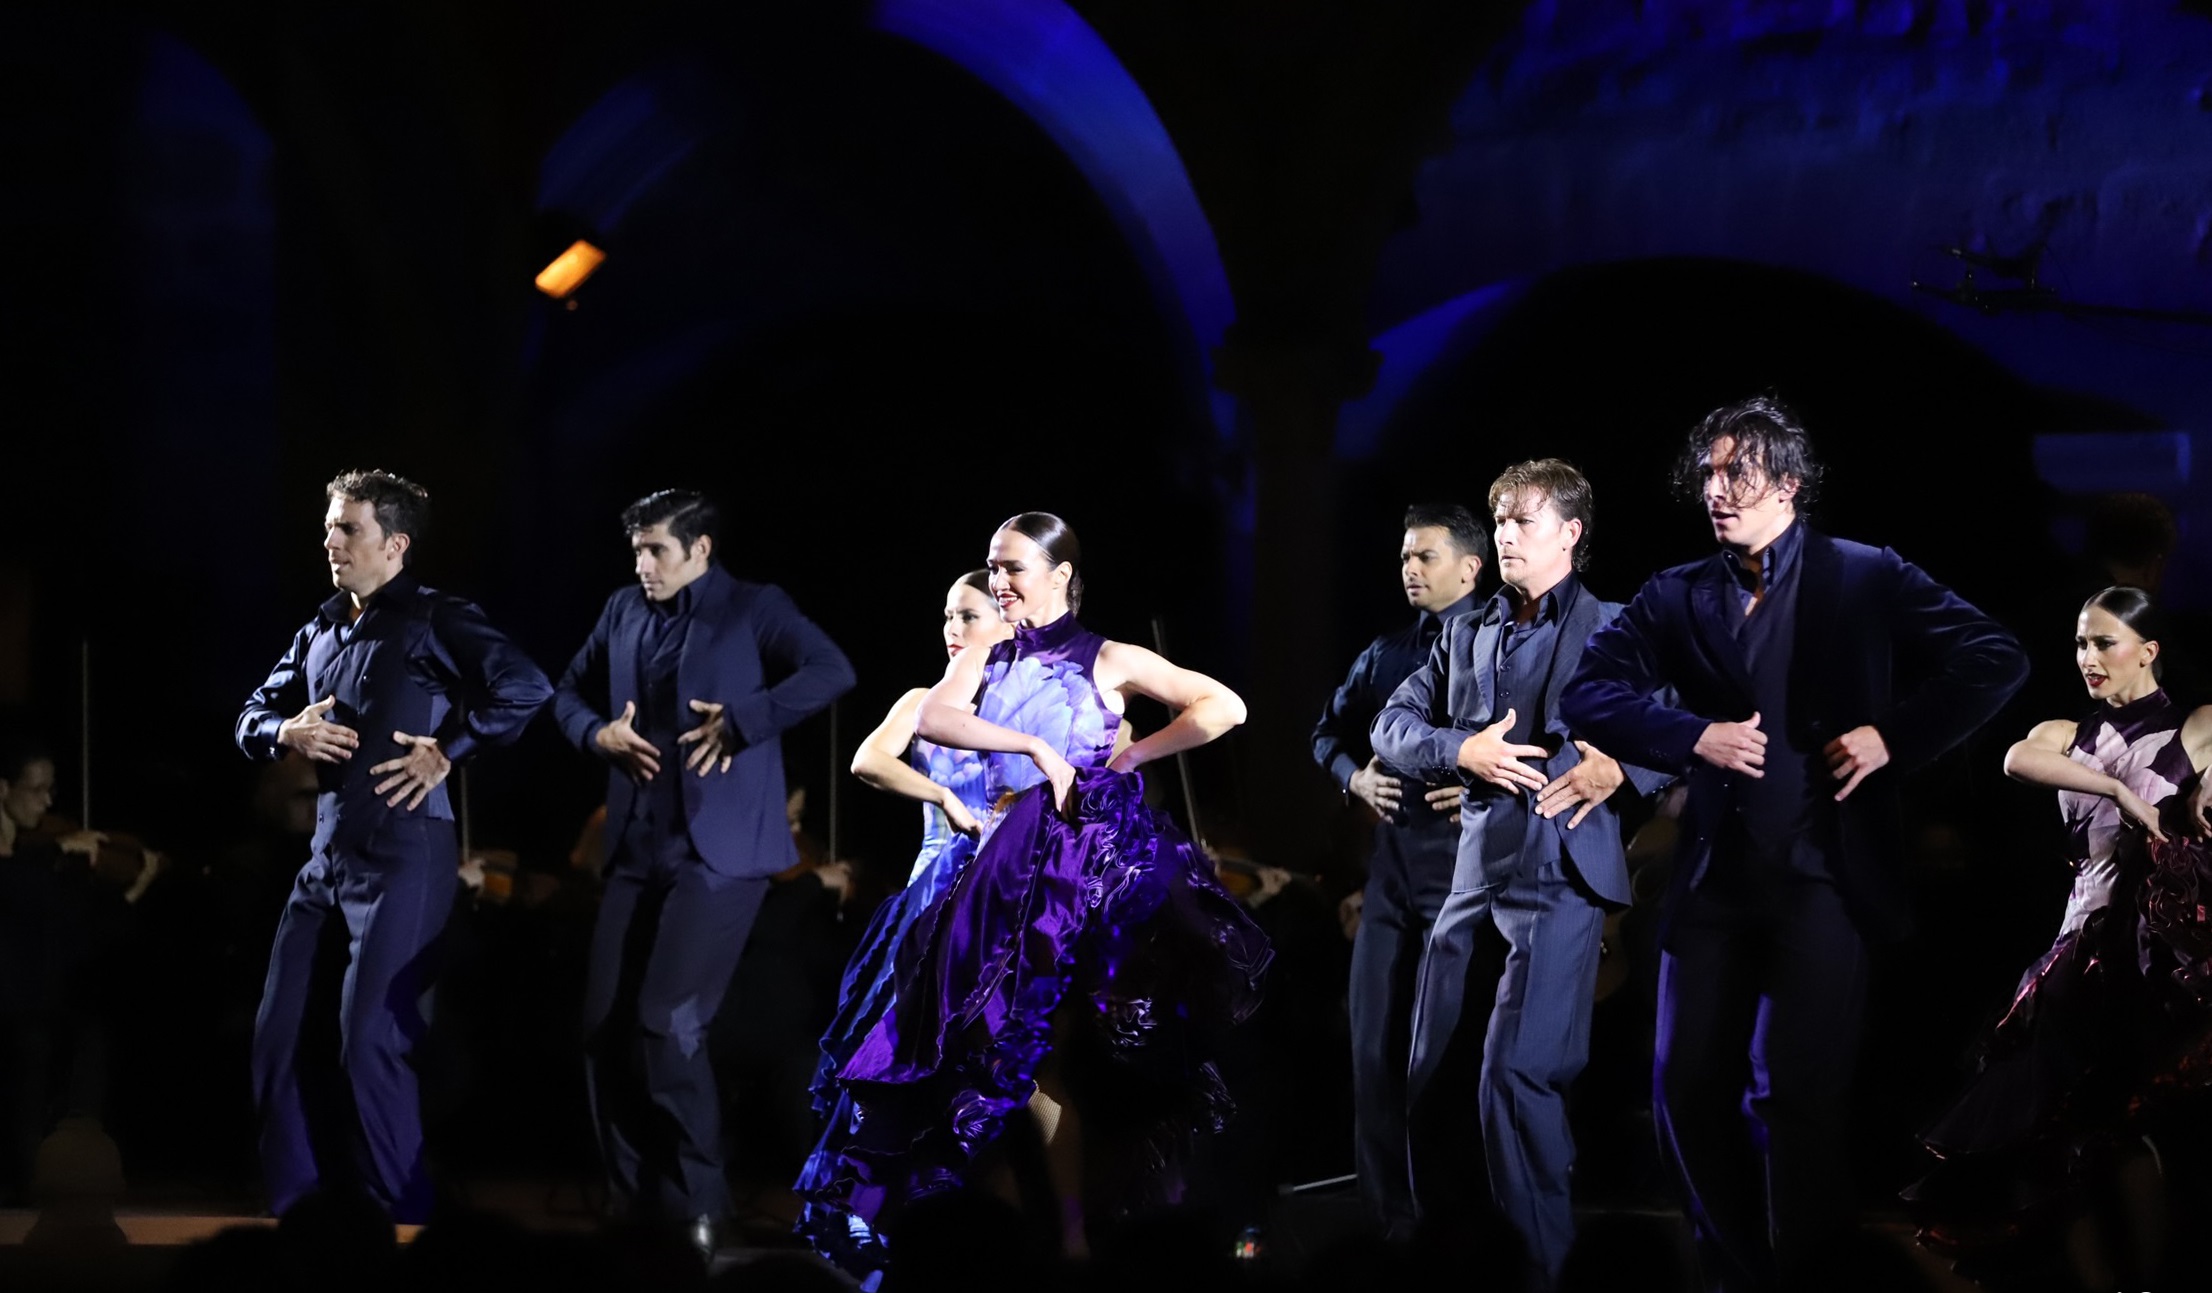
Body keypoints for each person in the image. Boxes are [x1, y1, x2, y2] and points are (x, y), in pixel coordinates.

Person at [1558, 397, 2028, 1290]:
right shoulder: (1677, 590)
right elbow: (1590, 693)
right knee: (1682, 1090)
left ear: (1790, 483)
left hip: (1825, 880)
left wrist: (1896, 735)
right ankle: (1741, 1271)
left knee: (1791, 1099)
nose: (1718, 491)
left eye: (1739, 473)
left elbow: (1994, 655)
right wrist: (1690, 733)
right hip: (1717, 883)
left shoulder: (1863, 573)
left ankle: (1810, 1277)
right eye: (1708, 473)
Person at [799, 512, 1271, 1281]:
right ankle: (1011, 1237)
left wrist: (1129, 755)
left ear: (1061, 577)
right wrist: (1033, 747)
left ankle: (1082, 1235)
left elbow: (1224, 705)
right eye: (992, 567)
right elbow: (936, 717)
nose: (999, 582)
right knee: (991, 1068)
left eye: (1014, 567)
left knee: (1057, 1062)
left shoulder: (1106, 657)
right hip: (997, 881)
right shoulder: (983, 656)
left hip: (1076, 886)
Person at [1371, 461, 1669, 1287]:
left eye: (1523, 521)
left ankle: (1543, 1267)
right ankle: (1439, 1261)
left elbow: (1677, 728)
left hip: (1561, 879)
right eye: (1498, 520)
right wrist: (1458, 748)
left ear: (1570, 533)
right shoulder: (1464, 633)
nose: (1504, 534)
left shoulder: (1617, 626)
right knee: (1430, 1079)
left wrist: (1624, 772)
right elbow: (1393, 723)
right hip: (1472, 879)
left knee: (1517, 1073)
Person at [236, 470, 552, 1223]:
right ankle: (300, 1210)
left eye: (348, 529)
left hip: (408, 850)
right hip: (327, 855)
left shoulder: (436, 618)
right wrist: (286, 729)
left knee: (371, 1038)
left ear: (395, 543)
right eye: (329, 526)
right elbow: (253, 711)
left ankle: (402, 1214)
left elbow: (526, 685)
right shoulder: (319, 626)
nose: (331, 540)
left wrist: (450, 747)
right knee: (277, 1034)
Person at [551, 488, 854, 1256]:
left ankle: (703, 1204)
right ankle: (633, 1201)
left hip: (721, 852)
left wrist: (746, 718)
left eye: (657, 550)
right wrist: (598, 735)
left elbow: (831, 669)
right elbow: (564, 692)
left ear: (701, 549)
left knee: (670, 1022)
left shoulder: (753, 606)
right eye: (637, 551)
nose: (643, 564)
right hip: (635, 846)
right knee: (601, 1026)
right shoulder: (622, 608)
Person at [1905, 586, 2212, 1288]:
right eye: (2080, 642)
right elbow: (2017, 758)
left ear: (2149, 649)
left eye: (2105, 641)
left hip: (2150, 956)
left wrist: (2202, 790)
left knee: (2122, 1125)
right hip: (2077, 950)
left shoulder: (2189, 725)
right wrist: (2119, 793)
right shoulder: (2064, 734)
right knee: (2057, 1138)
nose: (2088, 657)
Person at [794, 571, 1013, 1247]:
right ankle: (882, 1217)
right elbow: (868, 759)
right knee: (900, 1057)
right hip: (930, 898)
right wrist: (944, 798)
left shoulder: (1024, 713)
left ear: (1006, 623)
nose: (952, 628)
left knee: (980, 1067)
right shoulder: (924, 700)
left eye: (968, 615)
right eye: (947, 614)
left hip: (999, 906)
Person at [1310, 503, 1484, 1234]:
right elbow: (1327, 732)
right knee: (1372, 1044)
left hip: (1469, 875)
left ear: (1472, 567)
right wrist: (1353, 777)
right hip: (1392, 874)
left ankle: (1460, 1220)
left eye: (1427, 556)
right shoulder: (1385, 651)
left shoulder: (1506, 644)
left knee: (1448, 1054)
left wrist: (1481, 780)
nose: (1410, 568)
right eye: (1406, 557)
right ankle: (1388, 1225)